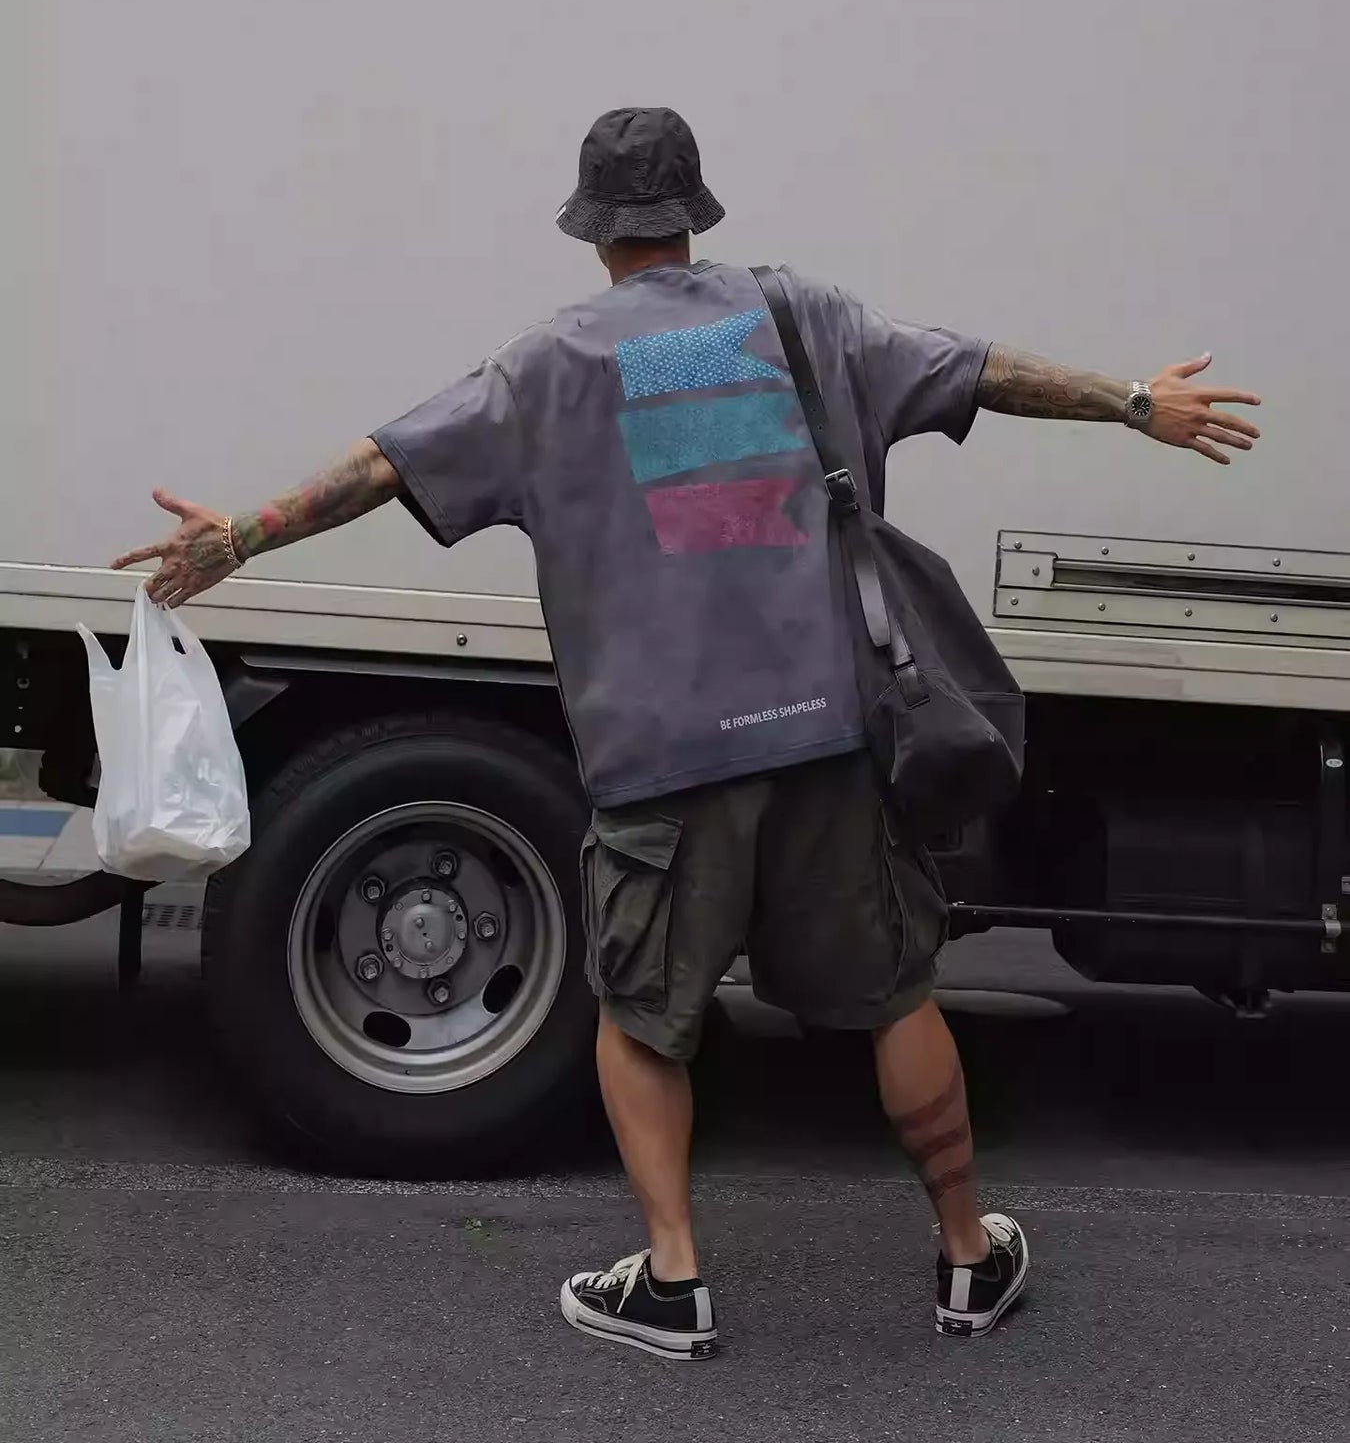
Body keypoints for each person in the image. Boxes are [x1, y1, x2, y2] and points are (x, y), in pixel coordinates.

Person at [113, 107, 1262, 1358]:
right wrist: (1135, 400)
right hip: (826, 736)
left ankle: (674, 1281)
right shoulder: (802, 318)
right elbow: (977, 367)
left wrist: (242, 536)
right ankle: (967, 1257)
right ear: (694, 212)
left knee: (641, 1017)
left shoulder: (548, 367)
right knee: (896, 998)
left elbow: (383, 466)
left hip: (663, 757)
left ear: (592, 229)